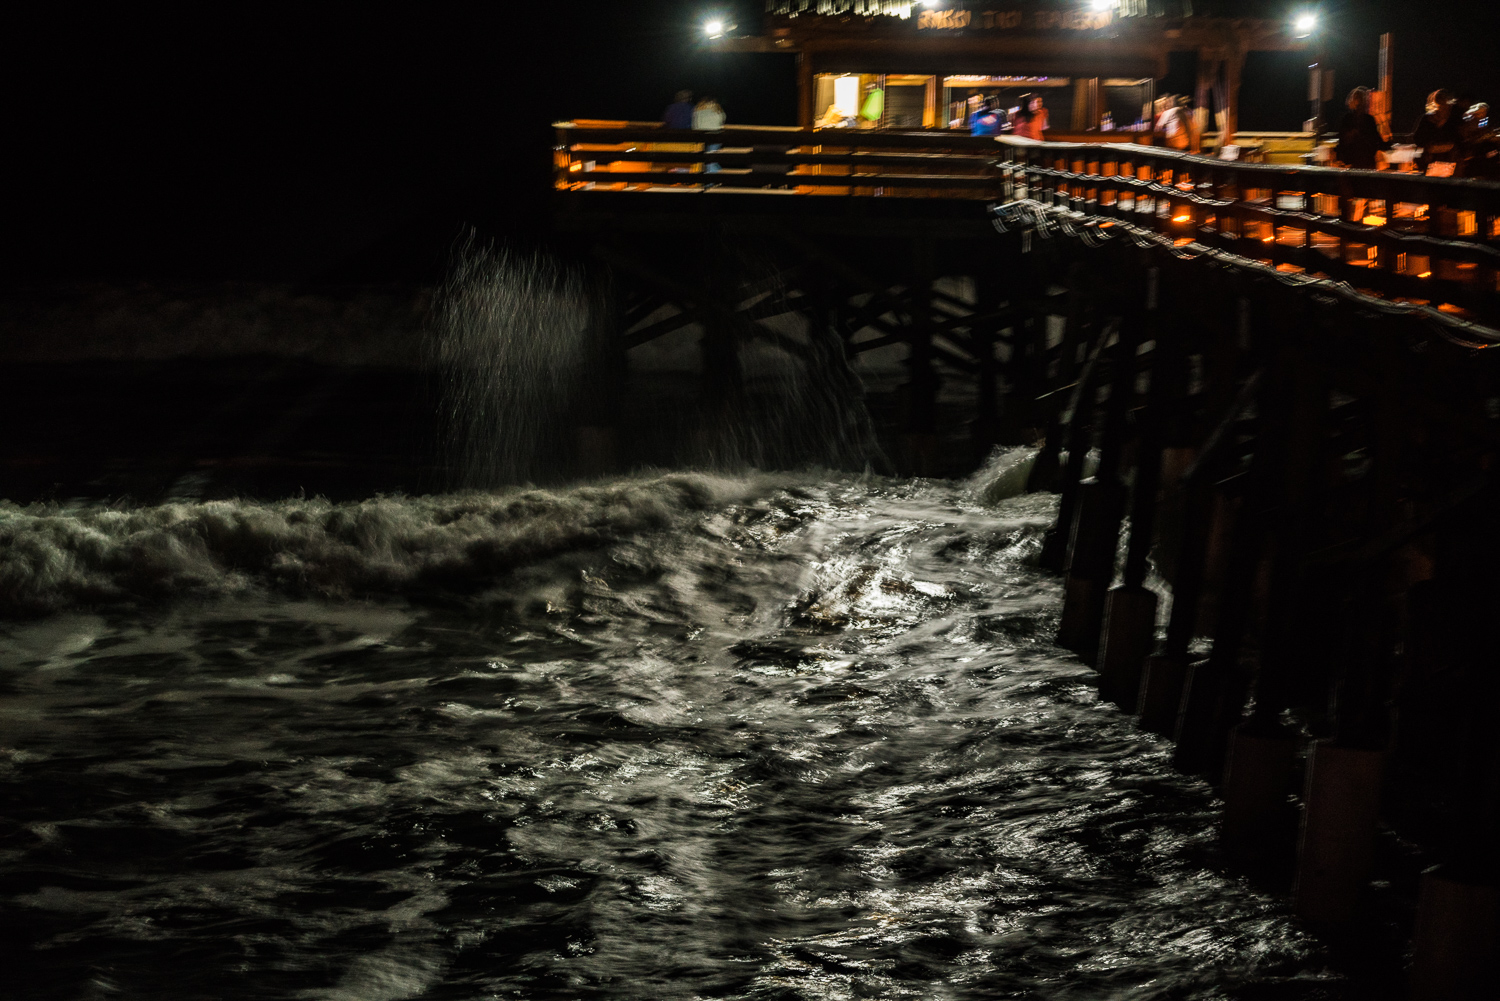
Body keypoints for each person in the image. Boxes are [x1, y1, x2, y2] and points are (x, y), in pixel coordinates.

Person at [1336, 86, 1391, 170]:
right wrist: (1388, 143)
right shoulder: (1368, 119)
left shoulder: (1346, 119)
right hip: (1367, 162)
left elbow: (1341, 141)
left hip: (1350, 162)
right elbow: (1376, 141)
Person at [1413, 89, 1463, 174]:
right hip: (1432, 163)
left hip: (1449, 162)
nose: (1443, 107)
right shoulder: (1427, 119)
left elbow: (1459, 139)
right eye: (1440, 103)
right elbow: (1418, 139)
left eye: (1445, 103)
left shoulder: (1454, 120)